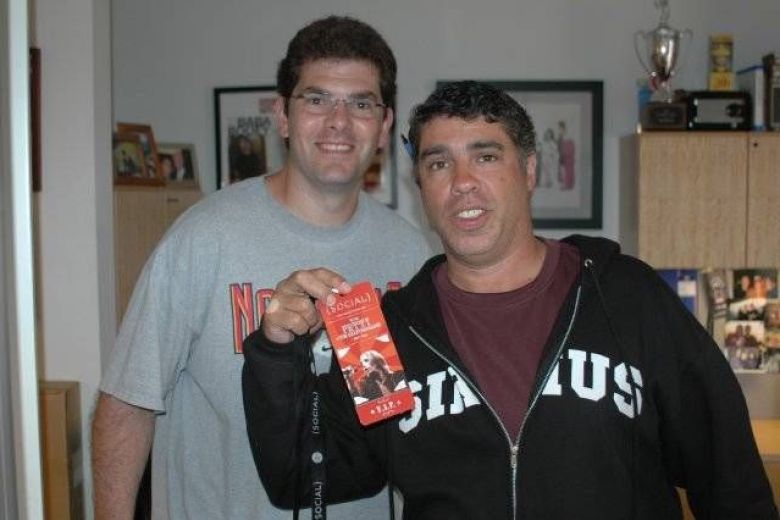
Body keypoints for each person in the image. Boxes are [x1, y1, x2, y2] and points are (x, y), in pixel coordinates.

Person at [243, 81, 777, 519]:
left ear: (529, 170)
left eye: (486, 156)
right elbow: (304, 477)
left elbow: (730, 481)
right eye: (438, 164)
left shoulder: (626, 296)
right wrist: (275, 352)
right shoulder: (392, 334)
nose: (462, 183)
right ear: (421, 186)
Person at [92, 15, 432, 520]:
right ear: (282, 116)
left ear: (384, 126)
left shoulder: (411, 253)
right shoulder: (202, 239)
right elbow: (126, 404)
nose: (339, 122)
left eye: (361, 104)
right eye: (316, 100)